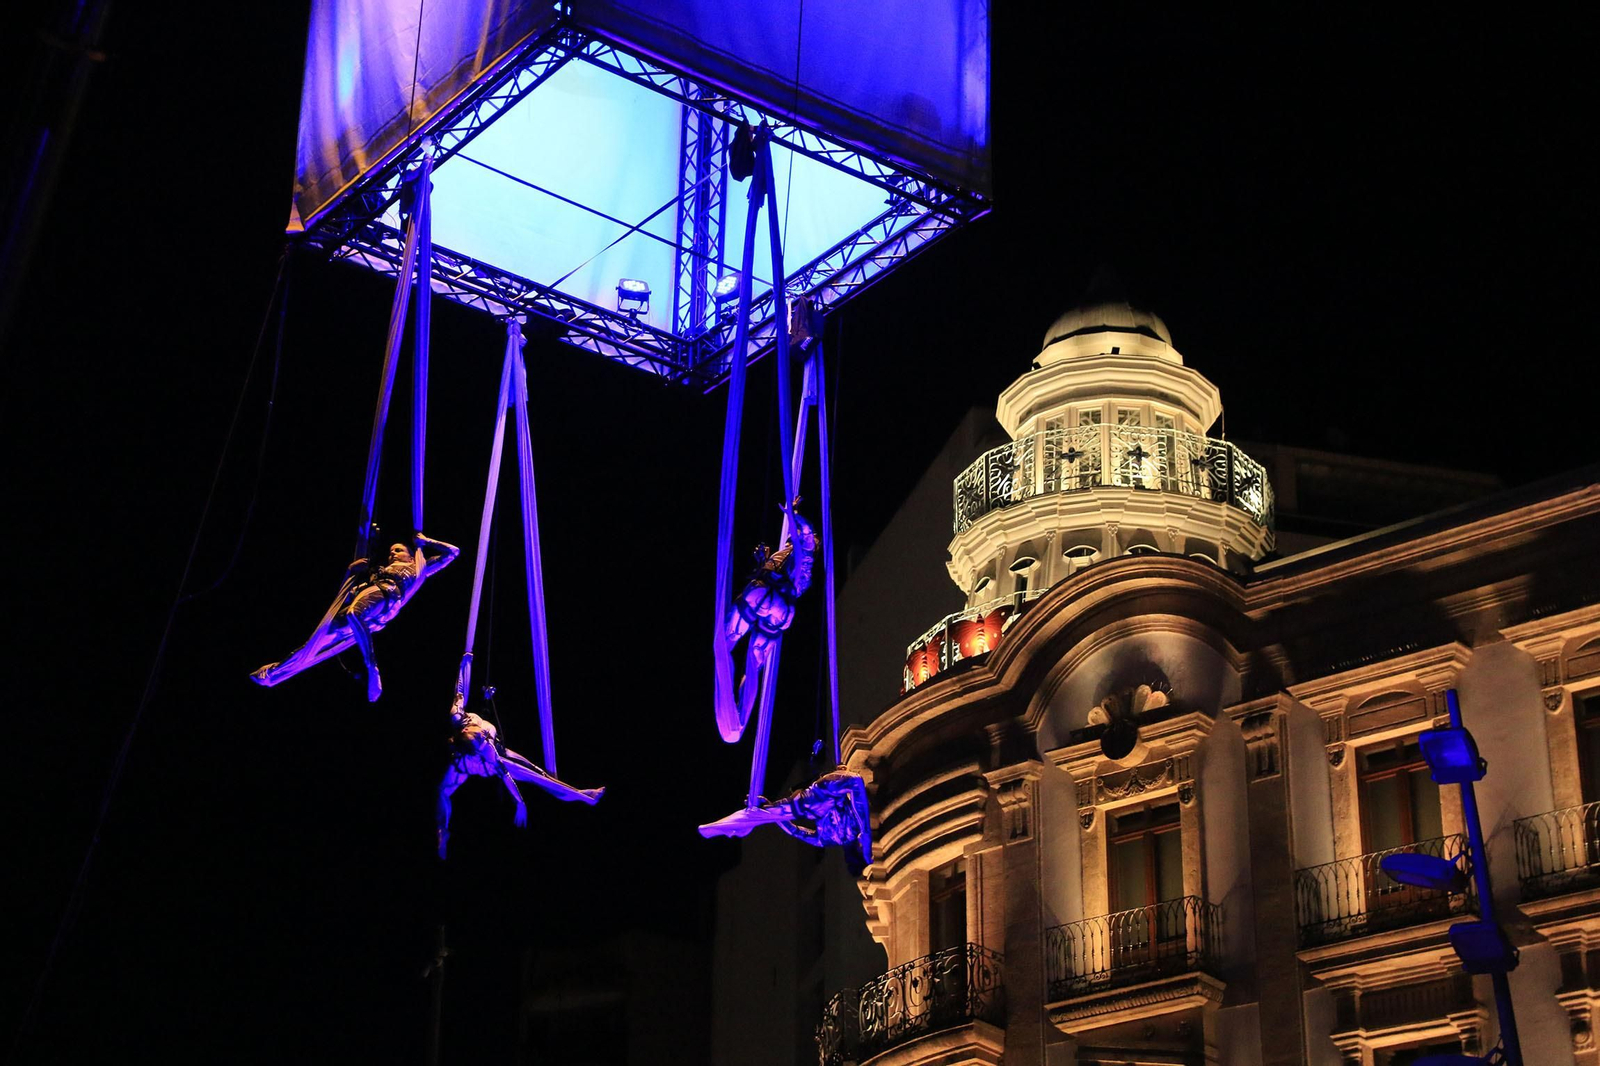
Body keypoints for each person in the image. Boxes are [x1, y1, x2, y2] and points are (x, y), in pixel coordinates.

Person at [251, 532, 459, 701]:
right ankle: (273, 673)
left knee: (353, 614)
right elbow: (348, 594)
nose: (393, 554)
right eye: (390, 552)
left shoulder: (418, 568)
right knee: (311, 647)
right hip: (368, 611)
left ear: (411, 556)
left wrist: (426, 541)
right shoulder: (377, 573)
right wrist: (351, 571)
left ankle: (372, 666)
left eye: (398, 550)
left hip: (385, 596)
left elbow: (453, 552)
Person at [436, 684, 604, 859]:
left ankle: (442, 829)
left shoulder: (457, 717)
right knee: (538, 776)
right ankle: (584, 796)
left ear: (465, 729)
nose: (484, 736)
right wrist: (520, 802)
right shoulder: (486, 748)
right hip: (489, 763)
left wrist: (468, 663)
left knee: (443, 792)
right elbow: (506, 777)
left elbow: (461, 685)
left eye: (482, 736)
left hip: (463, 765)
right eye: (482, 737)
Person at [724, 500, 817, 718]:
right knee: (754, 663)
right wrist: (762, 561)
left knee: (729, 635)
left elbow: (806, 531)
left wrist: (792, 513)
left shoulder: (805, 553)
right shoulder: (790, 558)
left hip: (767, 596)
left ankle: (722, 675)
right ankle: (739, 712)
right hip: (783, 613)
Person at [698, 767, 871, 873]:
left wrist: (866, 835)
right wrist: (777, 818)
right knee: (762, 813)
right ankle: (734, 824)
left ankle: (737, 824)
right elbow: (795, 831)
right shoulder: (828, 840)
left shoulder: (851, 831)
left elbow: (796, 831)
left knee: (854, 781)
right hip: (809, 805)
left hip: (815, 798)